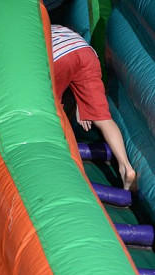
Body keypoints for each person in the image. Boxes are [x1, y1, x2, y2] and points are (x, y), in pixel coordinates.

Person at [51, 24, 136, 190]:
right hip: (85, 53)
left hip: (57, 56)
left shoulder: (34, 30)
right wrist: (81, 104)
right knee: (104, 118)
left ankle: (64, 165)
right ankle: (125, 166)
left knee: (53, 112)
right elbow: (75, 64)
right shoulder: (61, 28)